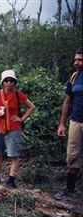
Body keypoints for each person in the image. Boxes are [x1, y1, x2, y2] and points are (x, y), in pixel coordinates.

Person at [0, 70, 35, 189]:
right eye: (6, 80)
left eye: (11, 80)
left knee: (13, 155)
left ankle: (11, 180)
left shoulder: (18, 95)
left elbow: (31, 107)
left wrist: (21, 119)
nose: (9, 83)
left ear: (14, 82)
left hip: (13, 128)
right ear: (2, 82)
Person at [55, 47, 83, 200]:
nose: (76, 62)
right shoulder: (74, 77)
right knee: (72, 156)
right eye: (75, 59)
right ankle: (70, 189)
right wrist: (61, 124)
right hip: (75, 121)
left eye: (80, 60)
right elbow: (67, 102)